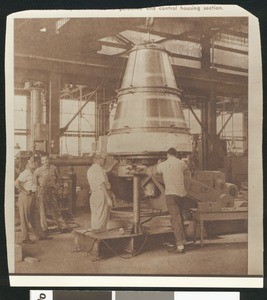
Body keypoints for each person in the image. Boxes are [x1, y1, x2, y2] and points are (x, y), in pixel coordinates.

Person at [157, 147, 187, 254]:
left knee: (175, 219)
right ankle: (182, 241)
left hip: (171, 195)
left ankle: (180, 246)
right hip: (181, 195)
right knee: (180, 218)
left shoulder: (163, 164)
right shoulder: (181, 163)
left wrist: (159, 162)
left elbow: (157, 170)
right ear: (176, 154)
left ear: (167, 155)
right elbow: (185, 168)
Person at [15, 157, 52, 244]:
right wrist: (24, 191)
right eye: (33, 163)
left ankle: (40, 235)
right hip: (26, 196)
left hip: (33, 196)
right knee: (25, 217)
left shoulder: (33, 173)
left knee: (34, 216)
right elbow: (16, 183)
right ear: (28, 164)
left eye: (35, 163)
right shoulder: (25, 173)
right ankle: (25, 238)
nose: (35, 164)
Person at [34, 154, 70, 233]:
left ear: (48, 160)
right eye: (43, 160)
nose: (45, 162)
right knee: (42, 210)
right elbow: (35, 183)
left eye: (46, 160)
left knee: (56, 209)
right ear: (41, 162)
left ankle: (62, 227)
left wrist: (57, 187)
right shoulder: (37, 171)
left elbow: (58, 179)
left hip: (52, 190)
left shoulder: (53, 168)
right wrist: (38, 192)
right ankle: (44, 228)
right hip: (43, 191)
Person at [87, 154, 118, 232]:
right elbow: (101, 184)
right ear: (98, 159)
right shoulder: (98, 169)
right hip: (101, 194)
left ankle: (95, 234)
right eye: (103, 159)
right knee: (102, 216)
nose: (104, 161)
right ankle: (100, 236)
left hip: (94, 194)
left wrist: (114, 164)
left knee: (96, 216)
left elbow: (107, 172)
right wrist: (108, 198)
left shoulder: (91, 169)